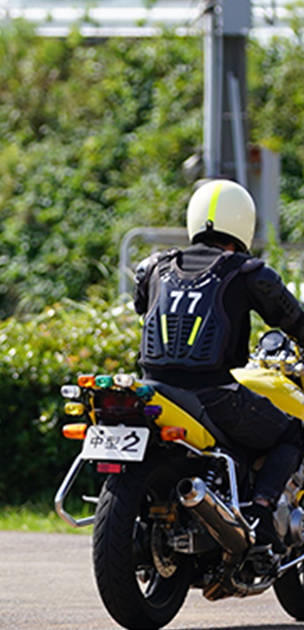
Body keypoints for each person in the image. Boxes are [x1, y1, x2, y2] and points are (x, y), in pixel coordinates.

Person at [134, 179, 304, 554]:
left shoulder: (153, 267)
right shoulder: (246, 271)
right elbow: (293, 320)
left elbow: (141, 305)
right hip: (213, 394)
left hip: (153, 388)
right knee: (292, 434)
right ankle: (261, 513)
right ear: (245, 223)